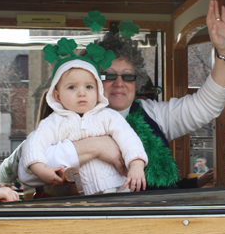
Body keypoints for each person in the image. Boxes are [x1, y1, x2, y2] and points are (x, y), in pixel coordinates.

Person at [0, 0, 225, 191]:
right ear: (93, 82)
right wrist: (96, 145)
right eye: (109, 75)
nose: (120, 83)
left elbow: (207, 107)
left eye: (128, 76)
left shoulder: (152, 114)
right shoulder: (60, 120)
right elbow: (25, 173)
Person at [20, 56, 148, 195]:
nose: (82, 93)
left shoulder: (109, 116)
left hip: (118, 190)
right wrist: (40, 168)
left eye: (89, 87)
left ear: (98, 91)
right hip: (79, 199)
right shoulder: (54, 122)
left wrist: (136, 165)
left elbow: (129, 140)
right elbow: (34, 144)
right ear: (57, 96)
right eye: (72, 87)